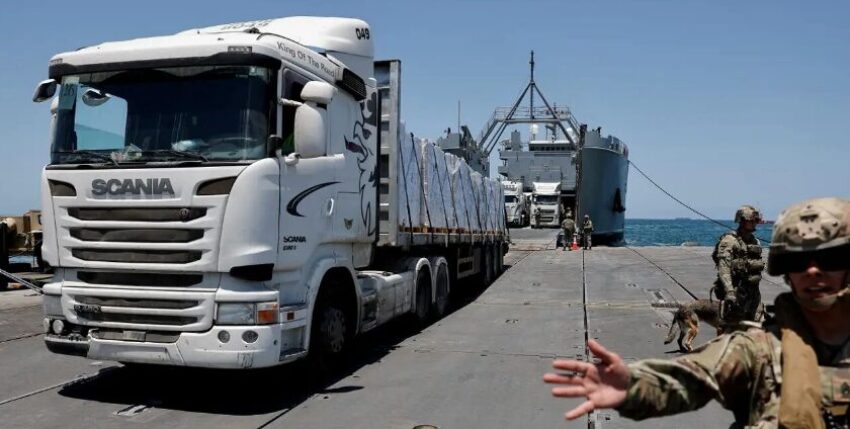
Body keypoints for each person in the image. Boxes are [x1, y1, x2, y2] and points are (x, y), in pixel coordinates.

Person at [543, 197, 850, 428]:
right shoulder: (757, 350)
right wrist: (632, 387)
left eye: (830, 258)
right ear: (786, 270)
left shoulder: (753, 242)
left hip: (751, 297)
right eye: (799, 262)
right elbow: (690, 378)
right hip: (736, 298)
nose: (813, 271)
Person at [712, 205, 765, 330]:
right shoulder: (729, 241)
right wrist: (729, 291)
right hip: (737, 293)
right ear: (742, 221)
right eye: (751, 220)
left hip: (754, 294)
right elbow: (724, 268)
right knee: (733, 330)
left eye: (756, 220)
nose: (754, 223)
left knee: (758, 329)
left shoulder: (754, 241)